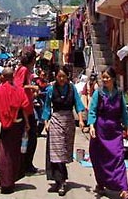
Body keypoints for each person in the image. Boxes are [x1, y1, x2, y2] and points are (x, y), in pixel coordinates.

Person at [88, 66, 128, 199]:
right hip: (100, 130)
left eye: (107, 77)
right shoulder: (99, 93)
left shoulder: (119, 94)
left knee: (118, 158)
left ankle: (123, 189)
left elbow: (124, 112)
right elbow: (92, 110)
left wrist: (127, 128)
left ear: (113, 78)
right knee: (99, 158)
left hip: (115, 131)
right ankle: (101, 183)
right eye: (103, 77)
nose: (105, 80)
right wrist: (91, 126)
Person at [42, 65, 85, 196]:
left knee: (64, 152)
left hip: (68, 121)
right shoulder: (51, 89)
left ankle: (60, 179)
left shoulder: (72, 89)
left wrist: (81, 120)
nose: (61, 79)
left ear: (67, 77)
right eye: (59, 76)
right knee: (56, 151)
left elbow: (78, 105)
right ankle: (60, 181)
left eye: (64, 76)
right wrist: (46, 122)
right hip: (55, 120)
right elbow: (47, 107)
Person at [0, 67, 31, 194]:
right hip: (18, 124)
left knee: (4, 153)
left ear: (3, 77)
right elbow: (25, 107)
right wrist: (27, 124)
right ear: (12, 77)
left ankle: (5, 183)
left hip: (6, 126)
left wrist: (2, 119)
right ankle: (11, 181)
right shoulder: (19, 90)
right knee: (14, 152)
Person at [13, 48, 39, 174]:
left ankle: (27, 163)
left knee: (30, 138)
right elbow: (18, 87)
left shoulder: (27, 70)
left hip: (28, 108)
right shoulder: (23, 70)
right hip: (23, 110)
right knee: (29, 137)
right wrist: (32, 87)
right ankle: (25, 164)